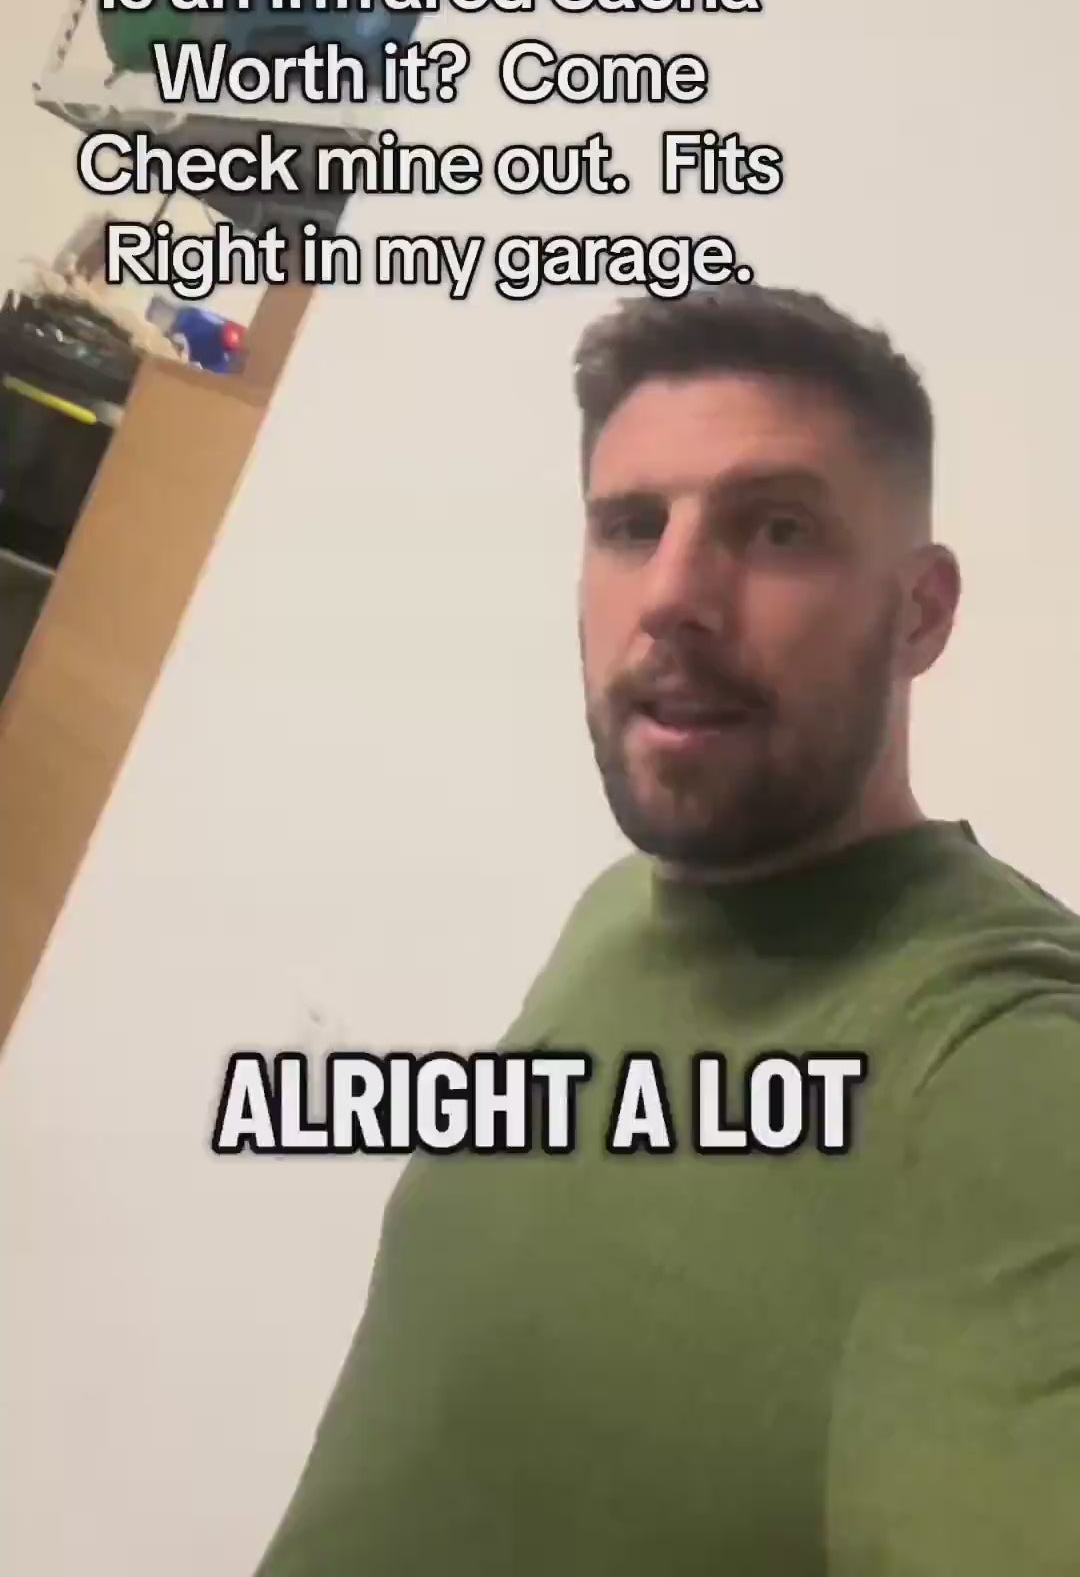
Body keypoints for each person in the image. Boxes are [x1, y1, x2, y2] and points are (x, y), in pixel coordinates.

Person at [256, 287, 1080, 1575]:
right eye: (633, 527)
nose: (675, 595)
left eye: (778, 528)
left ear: (919, 612)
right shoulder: (622, 907)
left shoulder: (1001, 1057)